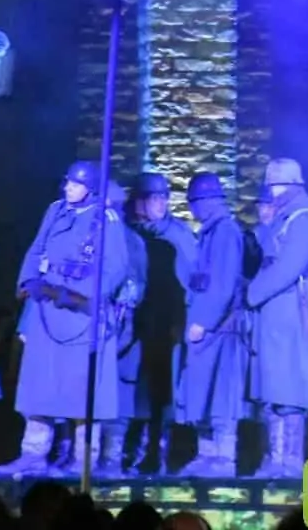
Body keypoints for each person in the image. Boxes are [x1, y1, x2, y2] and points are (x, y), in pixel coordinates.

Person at [0, 161, 129, 478]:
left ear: (90, 189)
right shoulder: (55, 210)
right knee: (39, 385)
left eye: (75, 184)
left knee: (82, 391)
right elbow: (36, 249)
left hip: (80, 315)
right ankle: (33, 453)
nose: (68, 188)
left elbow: (115, 270)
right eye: (67, 182)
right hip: (47, 312)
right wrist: (28, 281)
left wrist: (74, 294)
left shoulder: (105, 220)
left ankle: (84, 458)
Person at [246, 157, 308, 477]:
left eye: (276, 186)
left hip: (296, 307)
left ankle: (290, 461)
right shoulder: (287, 216)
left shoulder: (305, 217)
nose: (272, 192)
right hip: (279, 307)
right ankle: (275, 458)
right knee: (274, 382)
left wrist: (253, 293)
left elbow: (288, 267)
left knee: (291, 382)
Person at [175, 172, 249, 476]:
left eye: (193, 203)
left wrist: (204, 322)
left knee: (220, 391)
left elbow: (222, 284)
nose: (192, 210)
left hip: (219, 329)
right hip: (206, 324)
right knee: (201, 389)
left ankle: (223, 457)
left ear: (205, 202)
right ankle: (206, 454)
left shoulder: (225, 232)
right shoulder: (211, 232)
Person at [124, 172, 195, 475]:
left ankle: (156, 452)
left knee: (160, 391)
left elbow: (190, 281)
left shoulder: (177, 235)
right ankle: (128, 451)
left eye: (163, 197)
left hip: (163, 324)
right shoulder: (126, 232)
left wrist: (180, 322)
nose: (160, 203)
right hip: (133, 322)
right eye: (153, 198)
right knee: (132, 388)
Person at [102, 180, 146, 473]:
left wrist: (123, 319)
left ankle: (112, 458)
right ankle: (84, 454)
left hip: (122, 327)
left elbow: (137, 285)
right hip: (92, 329)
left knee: (120, 393)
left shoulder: (132, 242)